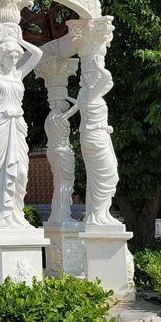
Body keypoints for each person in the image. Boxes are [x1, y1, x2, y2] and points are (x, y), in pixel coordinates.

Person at [0, 29, 42, 229]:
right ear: (1, 56)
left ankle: (15, 214)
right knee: (2, 170)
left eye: (17, 56)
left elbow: (38, 55)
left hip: (16, 125)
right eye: (10, 56)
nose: (14, 59)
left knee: (20, 171)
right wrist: (1, 37)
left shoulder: (18, 75)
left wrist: (21, 40)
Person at [63, 56, 122, 226]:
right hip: (96, 137)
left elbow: (107, 84)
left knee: (100, 177)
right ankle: (99, 215)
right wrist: (99, 67)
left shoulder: (85, 94)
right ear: (90, 78)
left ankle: (98, 213)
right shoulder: (90, 93)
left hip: (92, 137)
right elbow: (107, 78)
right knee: (109, 176)